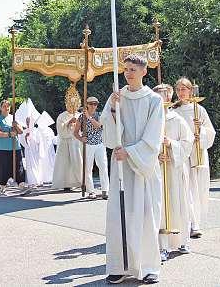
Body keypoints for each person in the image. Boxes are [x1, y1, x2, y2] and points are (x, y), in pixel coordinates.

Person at [101, 55, 164, 284]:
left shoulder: (154, 100)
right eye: (126, 69)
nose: (128, 73)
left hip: (143, 166)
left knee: (146, 215)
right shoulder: (117, 97)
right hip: (121, 166)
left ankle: (148, 267)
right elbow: (108, 132)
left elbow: (154, 136)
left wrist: (131, 152)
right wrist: (113, 109)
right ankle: (119, 266)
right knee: (119, 215)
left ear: (144, 72)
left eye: (133, 69)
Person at [153, 84, 194, 262]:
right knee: (161, 207)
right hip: (158, 169)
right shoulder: (151, 120)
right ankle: (163, 246)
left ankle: (182, 241)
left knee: (179, 204)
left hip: (175, 169)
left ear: (169, 98)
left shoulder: (177, 119)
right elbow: (144, 143)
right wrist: (156, 155)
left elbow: (188, 142)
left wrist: (171, 144)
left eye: (162, 96)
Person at [174, 77, 216, 239]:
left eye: (183, 89)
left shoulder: (199, 110)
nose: (180, 93)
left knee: (198, 188)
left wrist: (201, 133)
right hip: (182, 153)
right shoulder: (174, 110)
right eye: (178, 90)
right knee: (186, 188)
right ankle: (191, 223)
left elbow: (210, 131)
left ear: (190, 90)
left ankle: (196, 222)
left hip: (197, 152)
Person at [74, 97, 109, 199]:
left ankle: (105, 190)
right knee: (88, 168)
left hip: (100, 144)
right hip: (88, 145)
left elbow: (99, 126)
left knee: (103, 167)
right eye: (91, 104)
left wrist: (89, 117)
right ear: (87, 105)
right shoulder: (81, 117)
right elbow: (75, 132)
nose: (93, 106)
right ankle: (91, 191)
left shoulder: (99, 115)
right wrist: (81, 138)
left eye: (95, 104)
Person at [0, 99, 25, 195]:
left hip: (15, 147)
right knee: (3, 167)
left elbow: (21, 131)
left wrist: (16, 125)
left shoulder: (13, 118)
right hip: (2, 148)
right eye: (4, 106)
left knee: (19, 166)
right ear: (1, 108)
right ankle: (2, 187)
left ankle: (22, 185)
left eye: (8, 106)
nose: (6, 108)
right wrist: (9, 134)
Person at [52, 106, 82, 191]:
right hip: (65, 143)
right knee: (66, 164)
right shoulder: (62, 116)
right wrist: (69, 122)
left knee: (78, 162)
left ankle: (81, 181)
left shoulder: (80, 115)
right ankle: (66, 183)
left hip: (76, 142)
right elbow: (60, 130)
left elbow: (84, 128)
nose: (72, 106)